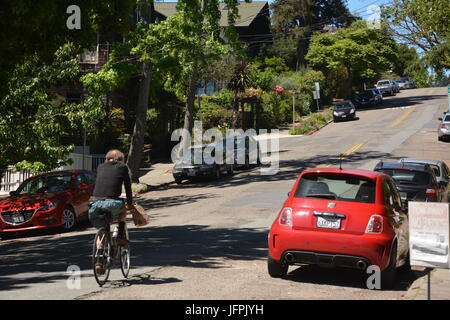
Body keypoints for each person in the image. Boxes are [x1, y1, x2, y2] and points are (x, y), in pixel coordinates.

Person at [89, 149, 134, 250]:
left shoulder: (100, 166)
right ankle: (121, 236)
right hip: (111, 203)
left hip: (94, 204)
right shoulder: (123, 167)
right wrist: (130, 203)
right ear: (120, 159)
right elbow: (128, 187)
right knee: (122, 211)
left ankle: (99, 261)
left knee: (102, 228)